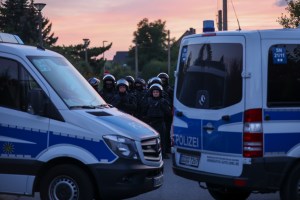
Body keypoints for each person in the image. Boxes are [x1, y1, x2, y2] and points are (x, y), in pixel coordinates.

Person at [141, 83, 172, 159]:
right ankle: (149, 153)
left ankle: (163, 153)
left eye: (157, 92)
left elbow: (168, 112)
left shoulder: (163, 101)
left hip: (160, 122)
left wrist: (163, 106)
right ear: (151, 93)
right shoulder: (148, 100)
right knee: (149, 139)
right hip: (150, 122)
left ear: (160, 93)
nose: (155, 93)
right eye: (154, 92)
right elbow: (143, 111)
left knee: (162, 139)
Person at [157, 72, 174, 153]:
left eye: (164, 80)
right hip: (159, 113)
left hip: (167, 113)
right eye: (161, 80)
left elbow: (173, 101)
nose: (163, 81)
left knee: (167, 132)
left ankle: (167, 148)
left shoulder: (169, 89)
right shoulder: (156, 89)